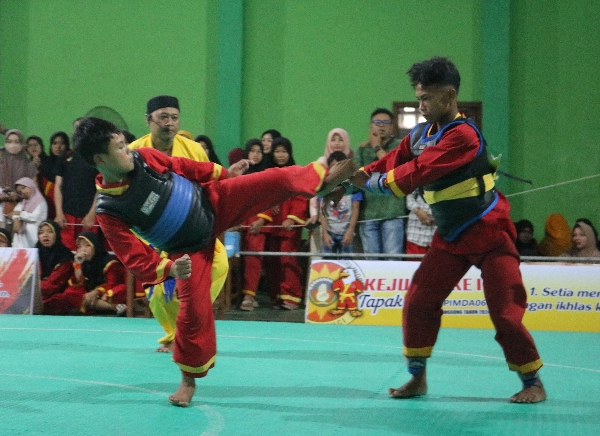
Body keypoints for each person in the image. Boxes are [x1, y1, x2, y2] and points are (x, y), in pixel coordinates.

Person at [72, 117, 353, 407]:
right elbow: (132, 254)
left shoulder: (144, 157)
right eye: (119, 148)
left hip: (212, 201)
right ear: (100, 159)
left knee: (274, 179)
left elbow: (184, 167)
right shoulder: (109, 209)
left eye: (125, 143)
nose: (128, 150)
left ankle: (322, 177)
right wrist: (169, 268)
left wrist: (223, 173)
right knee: (192, 312)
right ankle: (188, 380)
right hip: (186, 250)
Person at [328, 56, 545, 403]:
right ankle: (417, 378)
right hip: (452, 235)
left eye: (427, 98)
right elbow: (389, 162)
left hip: (490, 231)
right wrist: (349, 183)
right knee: (418, 301)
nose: (422, 105)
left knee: (505, 312)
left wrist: (371, 183)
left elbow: (417, 172)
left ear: (450, 95)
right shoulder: (419, 133)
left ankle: (532, 380)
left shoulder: (464, 136)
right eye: (418, 97)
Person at [129, 95, 230, 353]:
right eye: (163, 117)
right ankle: (174, 335)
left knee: (220, 264)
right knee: (161, 289)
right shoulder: (134, 152)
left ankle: (193, 313)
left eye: (174, 117)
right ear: (148, 120)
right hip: (152, 232)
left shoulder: (193, 149)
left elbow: (209, 185)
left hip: (192, 226)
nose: (169, 123)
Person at [241, 137, 309, 311]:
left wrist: (292, 218)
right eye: (277, 151)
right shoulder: (269, 172)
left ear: (290, 153)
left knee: (288, 258)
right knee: (273, 262)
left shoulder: (296, 172)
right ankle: (277, 297)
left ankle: (292, 297)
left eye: (284, 151)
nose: (280, 155)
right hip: (273, 223)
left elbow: (300, 198)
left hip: (288, 224)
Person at [354, 109, 406, 255]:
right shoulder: (362, 150)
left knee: (393, 260)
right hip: (368, 215)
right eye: (377, 122)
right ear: (371, 126)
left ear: (392, 127)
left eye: (385, 123)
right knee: (372, 264)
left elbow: (394, 169)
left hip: (393, 213)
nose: (381, 126)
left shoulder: (400, 145)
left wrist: (377, 147)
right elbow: (356, 176)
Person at [43, 231, 127, 315]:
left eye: (87, 245)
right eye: (79, 246)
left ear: (95, 246)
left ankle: (112, 306)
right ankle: (114, 307)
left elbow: (113, 283)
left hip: (108, 292)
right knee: (73, 294)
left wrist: (96, 292)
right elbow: (79, 282)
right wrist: (78, 265)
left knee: (118, 290)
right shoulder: (84, 263)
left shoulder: (110, 262)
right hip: (90, 294)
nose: (83, 250)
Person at [307, 128, 354, 252]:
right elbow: (314, 191)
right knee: (323, 258)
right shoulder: (321, 163)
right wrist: (314, 215)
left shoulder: (352, 163)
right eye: (333, 140)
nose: (337, 143)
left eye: (341, 140)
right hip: (323, 220)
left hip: (346, 225)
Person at [54, 129, 99, 250]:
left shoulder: (97, 159)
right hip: (67, 216)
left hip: (89, 216)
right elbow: (58, 186)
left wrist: (91, 214)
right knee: (67, 253)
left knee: (88, 253)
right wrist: (58, 213)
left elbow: (101, 188)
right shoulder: (65, 157)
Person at [320, 152, 362, 256]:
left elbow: (356, 209)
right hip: (329, 232)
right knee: (328, 264)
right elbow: (323, 211)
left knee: (347, 266)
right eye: (334, 168)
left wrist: (350, 231)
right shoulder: (325, 188)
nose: (337, 172)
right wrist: (325, 233)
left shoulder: (353, 187)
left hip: (346, 233)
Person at [0, 129, 38, 230]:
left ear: (22, 144)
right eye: (9, 141)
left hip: (22, 212)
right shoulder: (1, 163)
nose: (12, 145)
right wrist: (4, 197)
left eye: (17, 142)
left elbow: (34, 192)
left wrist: (17, 195)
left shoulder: (29, 166)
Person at [37, 220, 74, 307]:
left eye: (50, 231)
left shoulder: (64, 256)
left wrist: (29, 287)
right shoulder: (35, 252)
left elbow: (52, 285)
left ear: (56, 234)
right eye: (41, 232)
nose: (45, 235)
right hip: (38, 292)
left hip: (56, 292)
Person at [10, 177, 48, 248]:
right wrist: (16, 219)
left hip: (35, 232)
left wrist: (20, 214)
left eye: (24, 188)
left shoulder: (40, 201)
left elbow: (34, 218)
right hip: (23, 234)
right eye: (20, 192)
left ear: (30, 185)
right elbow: (15, 212)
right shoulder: (24, 202)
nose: (23, 192)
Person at [405, 190, 436, 255]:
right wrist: (418, 212)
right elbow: (409, 196)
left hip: (437, 237)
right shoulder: (417, 180)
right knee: (413, 264)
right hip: (416, 234)